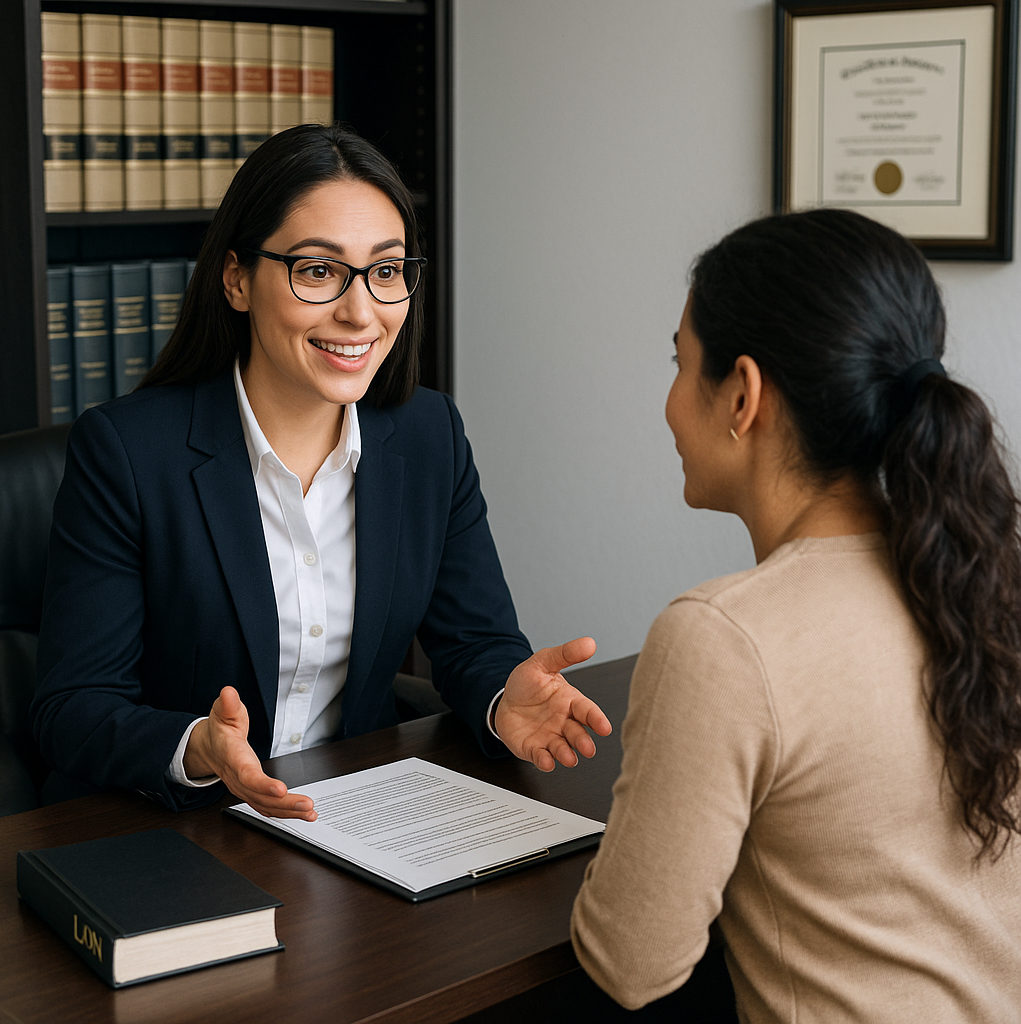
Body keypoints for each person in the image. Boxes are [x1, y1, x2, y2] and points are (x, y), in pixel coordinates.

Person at [32, 123, 610, 818]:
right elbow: (72, 708)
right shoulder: (126, 452)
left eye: (387, 270)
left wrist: (498, 700)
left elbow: (474, 642)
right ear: (237, 278)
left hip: (353, 821)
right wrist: (194, 747)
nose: (360, 312)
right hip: (169, 834)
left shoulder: (429, 436)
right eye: (318, 271)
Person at [570, 208, 1021, 1021]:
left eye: (680, 365)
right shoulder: (988, 587)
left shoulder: (723, 638)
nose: (671, 404)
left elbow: (628, 962)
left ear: (743, 394)